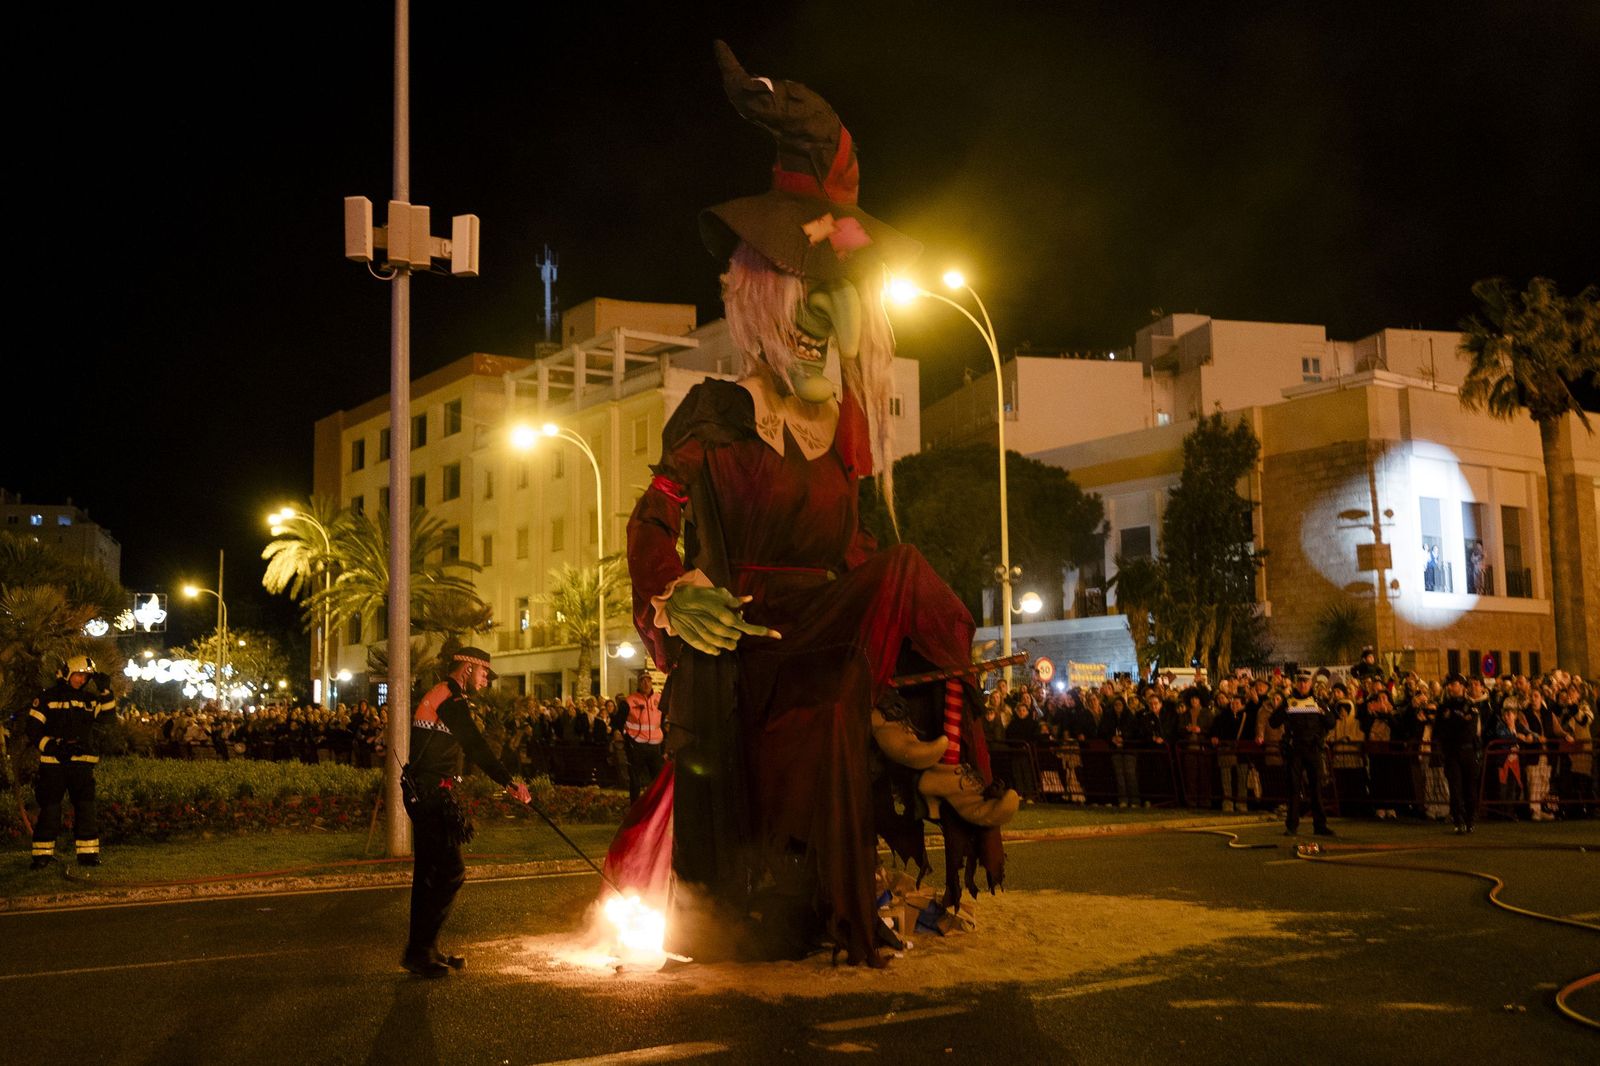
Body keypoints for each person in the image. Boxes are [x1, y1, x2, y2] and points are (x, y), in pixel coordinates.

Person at [610, 42, 1016, 968]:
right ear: (758, 300)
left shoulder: (847, 427)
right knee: (834, 695)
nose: (817, 328)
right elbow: (651, 519)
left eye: (834, 305)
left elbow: (861, 544)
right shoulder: (717, 414)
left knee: (897, 580)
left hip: (826, 638)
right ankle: (845, 904)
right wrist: (675, 592)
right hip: (745, 643)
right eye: (802, 301)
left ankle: (951, 765)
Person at [399, 647, 531, 978]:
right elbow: (474, 744)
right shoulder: (449, 696)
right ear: (469, 667)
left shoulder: (448, 696)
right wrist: (509, 782)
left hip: (431, 792)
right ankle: (420, 950)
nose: (487, 681)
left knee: (430, 876)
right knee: (451, 871)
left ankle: (423, 949)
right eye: (485, 673)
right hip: (429, 794)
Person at [26, 656, 116, 869]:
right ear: (67, 673)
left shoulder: (90, 699)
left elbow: (108, 719)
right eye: (77, 674)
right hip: (53, 764)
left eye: (85, 676)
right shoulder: (48, 697)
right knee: (50, 809)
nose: (80, 679)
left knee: (86, 809)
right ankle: (42, 856)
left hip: (82, 764)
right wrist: (53, 747)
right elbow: (33, 729)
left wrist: (105, 693)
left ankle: (88, 855)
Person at [1270, 669, 1335, 836]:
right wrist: (1284, 708)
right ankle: (1292, 826)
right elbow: (1273, 722)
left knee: (1316, 789)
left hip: (1313, 750)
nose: (1303, 684)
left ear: (1310, 683)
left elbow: (1330, 722)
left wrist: (1321, 711)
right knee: (1293, 789)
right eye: (1300, 682)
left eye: (1305, 681)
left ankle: (1320, 826)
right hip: (1295, 751)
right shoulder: (1289, 702)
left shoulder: (1317, 702)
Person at [1433, 673, 1481, 833]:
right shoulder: (1443, 707)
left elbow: (1470, 731)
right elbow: (1438, 731)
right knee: (1455, 788)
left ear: (1461, 685)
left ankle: (1470, 819)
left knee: (1470, 788)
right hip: (1451, 752)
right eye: (1449, 684)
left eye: (1453, 684)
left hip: (1467, 750)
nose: (1450, 687)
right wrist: (1459, 720)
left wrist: (1453, 720)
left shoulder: (1470, 706)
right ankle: (1459, 820)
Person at [621, 673, 665, 802]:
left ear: (651, 683)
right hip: (637, 745)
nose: (646, 684)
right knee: (635, 780)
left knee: (657, 779)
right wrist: (627, 738)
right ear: (639, 684)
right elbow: (618, 721)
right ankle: (634, 808)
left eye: (648, 681)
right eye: (643, 681)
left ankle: (656, 808)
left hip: (655, 746)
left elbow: (664, 720)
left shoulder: (660, 699)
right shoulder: (629, 701)